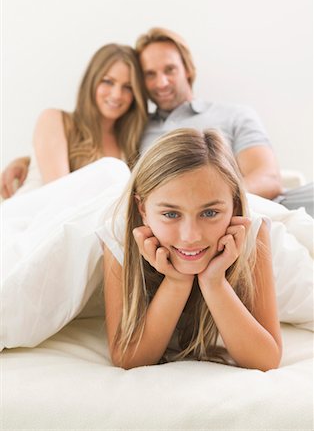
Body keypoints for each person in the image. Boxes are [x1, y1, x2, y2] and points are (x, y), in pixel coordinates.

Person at [1, 28, 313, 218]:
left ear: (187, 69)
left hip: (252, 207)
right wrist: (29, 159)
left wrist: (210, 207)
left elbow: (269, 179)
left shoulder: (234, 115)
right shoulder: (136, 130)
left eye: (170, 70)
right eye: (149, 74)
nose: (161, 82)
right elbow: (88, 165)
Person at [98, 127, 282, 371]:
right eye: (171, 214)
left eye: (209, 213)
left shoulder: (252, 231)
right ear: (142, 210)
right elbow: (128, 358)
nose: (191, 236)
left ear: (235, 206)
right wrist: (177, 281)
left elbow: (266, 360)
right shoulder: (120, 234)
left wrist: (214, 282)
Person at [0, 43, 147, 197]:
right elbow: (60, 195)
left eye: (128, 87)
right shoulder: (55, 120)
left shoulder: (130, 144)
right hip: (33, 218)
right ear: (91, 82)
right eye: (108, 81)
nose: (117, 94)